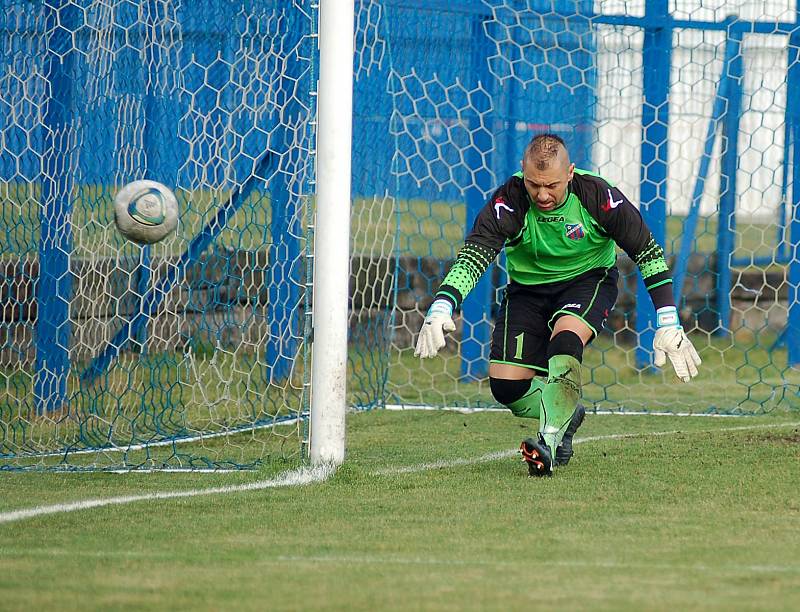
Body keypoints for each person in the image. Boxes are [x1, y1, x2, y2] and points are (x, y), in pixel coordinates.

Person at [414, 133, 701, 477]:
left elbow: (647, 252)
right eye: (535, 185)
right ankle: (566, 410)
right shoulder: (509, 200)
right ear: (523, 172)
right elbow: (475, 255)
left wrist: (668, 319)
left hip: (588, 281)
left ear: (570, 174)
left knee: (565, 341)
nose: (543, 195)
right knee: (507, 388)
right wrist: (443, 304)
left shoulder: (599, 197)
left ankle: (547, 443)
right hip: (527, 292)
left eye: (552, 185)